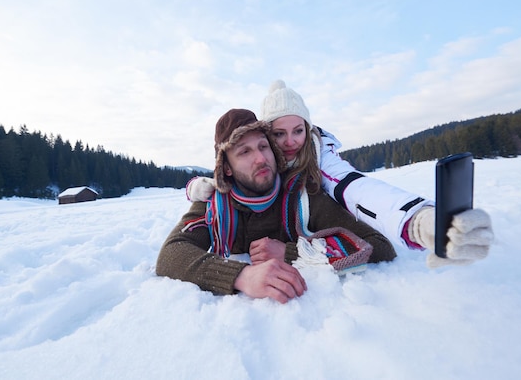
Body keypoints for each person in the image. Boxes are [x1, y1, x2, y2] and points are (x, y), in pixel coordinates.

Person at [187, 80, 493, 269]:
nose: (291, 142)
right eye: (279, 134)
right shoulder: (224, 193)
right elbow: (175, 251)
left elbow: (354, 188)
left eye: (298, 131)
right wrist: (195, 188)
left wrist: (419, 221)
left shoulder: (315, 173)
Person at [156, 109, 397, 304]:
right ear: (226, 167)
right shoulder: (214, 204)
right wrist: (242, 275)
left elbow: (378, 245)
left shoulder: (301, 197)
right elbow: (171, 255)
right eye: (244, 152)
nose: (260, 158)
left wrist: (291, 253)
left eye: (263, 146)